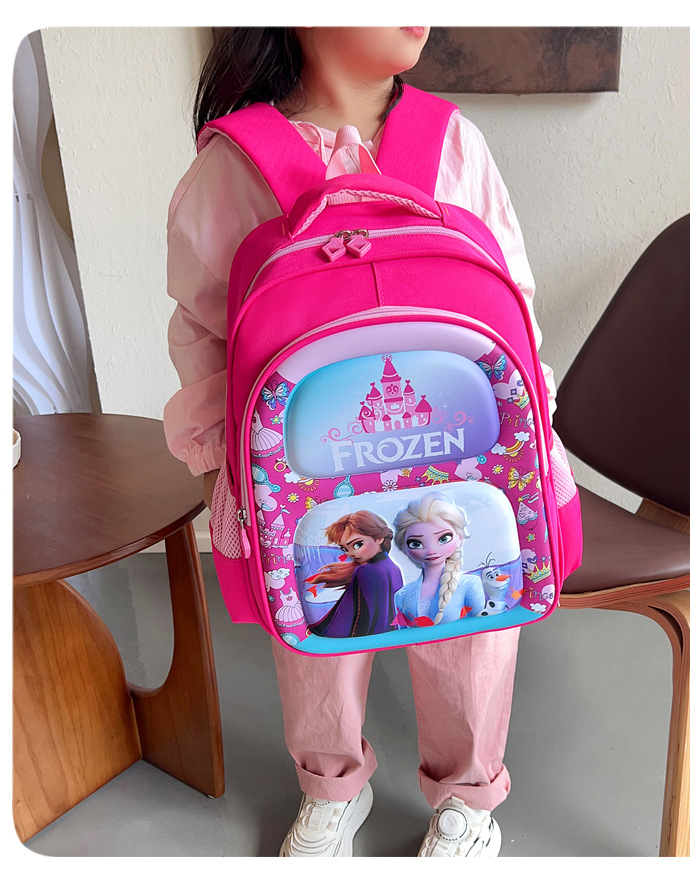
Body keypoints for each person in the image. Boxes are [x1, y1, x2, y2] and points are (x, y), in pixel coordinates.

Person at [164, 26, 557, 858]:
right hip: (305, 461)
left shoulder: (452, 140)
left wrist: (534, 434)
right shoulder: (234, 163)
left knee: (468, 618)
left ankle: (468, 795)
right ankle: (332, 782)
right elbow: (205, 330)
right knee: (319, 611)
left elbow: (513, 299)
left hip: (461, 443)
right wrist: (214, 458)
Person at [392, 493, 485, 627]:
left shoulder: (469, 584)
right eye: (416, 543)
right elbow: (403, 633)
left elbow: (481, 626)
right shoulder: (402, 595)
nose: (431, 550)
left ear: (459, 538)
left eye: (443, 539)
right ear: (404, 548)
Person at [305, 510, 402, 638]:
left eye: (358, 545)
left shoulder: (365, 571)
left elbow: (361, 614)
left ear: (379, 538)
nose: (351, 553)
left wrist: (355, 640)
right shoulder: (395, 569)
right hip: (388, 634)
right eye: (345, 549)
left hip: (356, 637)